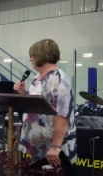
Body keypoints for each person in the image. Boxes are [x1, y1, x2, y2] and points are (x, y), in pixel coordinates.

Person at [13, 39, 77, 168]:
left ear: (42, 55)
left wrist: (55, 146)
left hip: (52, 150)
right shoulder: (38, 77)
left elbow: (62, 116)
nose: (30, 59)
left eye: (32, 55)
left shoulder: (57, 79)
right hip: (38, 147)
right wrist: (23, 93)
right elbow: (37, 104)